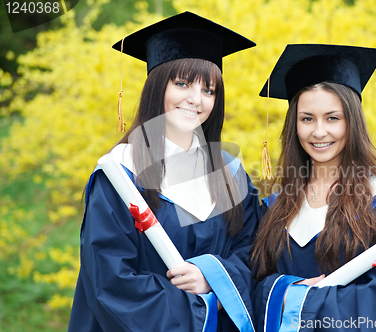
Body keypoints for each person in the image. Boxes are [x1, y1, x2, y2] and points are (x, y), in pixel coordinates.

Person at [69, 12, 260, 332]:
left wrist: (212, 276)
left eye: (208, 90)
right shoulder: (120, 174)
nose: (195, 99)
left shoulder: (230, 172)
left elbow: (254, 250)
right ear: (157, 86)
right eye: (182, 83)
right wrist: (199, 313)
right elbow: (111, 281)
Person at [250, 45, 376, 332]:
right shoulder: (274, 207)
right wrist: (286, 288)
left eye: (333, 118)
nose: (319, 131)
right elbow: (253, 284)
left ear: (352, 123)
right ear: (294, 125)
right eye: (307, 119)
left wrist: (298, 301)